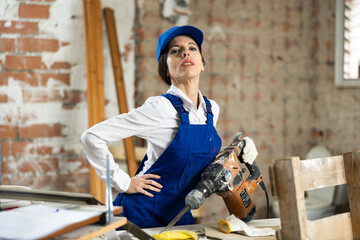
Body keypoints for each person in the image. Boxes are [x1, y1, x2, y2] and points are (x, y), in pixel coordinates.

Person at [81, 25, 258, 228]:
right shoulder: (160, 108)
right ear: (165, 69)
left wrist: (238, 148)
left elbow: (196, 163)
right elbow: (91, 137)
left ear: (202, 64)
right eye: (175, 51)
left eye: (193, 48)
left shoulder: (211, 110)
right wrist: (124, 182)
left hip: (179, 215)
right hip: (140, 215)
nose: (185, 52)